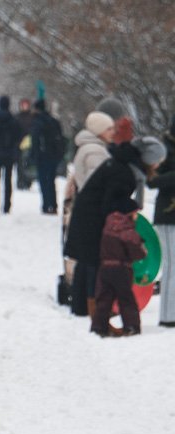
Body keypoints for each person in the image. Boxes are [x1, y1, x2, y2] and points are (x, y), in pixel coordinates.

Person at [64, 123, 151, 320]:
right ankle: (93, 310)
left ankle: (81, 308)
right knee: (93, 263)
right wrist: (131, 208)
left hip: (86, 212)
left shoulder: (113, 161)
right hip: (92, 217)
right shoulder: (114, 165)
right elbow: (111, 198)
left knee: (85, 262)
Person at [91, 197, 147, 336]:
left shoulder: (107, 226)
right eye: (135, 214)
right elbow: (137, 252)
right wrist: (143, 249)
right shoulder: (127, 230)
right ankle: (131, 326)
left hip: (105, 268)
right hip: (122, 269)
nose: (136, 217)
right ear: (129, 214)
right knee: (126, 299)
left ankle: (98, 327)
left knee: (104, 299)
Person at [148, 114, 175, 327]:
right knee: (171, 265)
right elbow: (152, 180)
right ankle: (167, 316)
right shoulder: (164, 149)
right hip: (167, 213)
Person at [30, 99, 64, 214]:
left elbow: (35, 140)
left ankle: (46, 205)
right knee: (51, 180)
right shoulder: (54, 121)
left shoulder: (37, 122)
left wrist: (33, 155)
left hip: (42, 155)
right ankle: (53, 205)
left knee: (43, 181)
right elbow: (61, 138)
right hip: (53, 155)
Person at [15, 98, 36, 190]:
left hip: (29, 144)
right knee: (20, 164)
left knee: (28, 164)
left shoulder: (32, 117)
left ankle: (27, 181)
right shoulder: (17, 117)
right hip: (19, 144)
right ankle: (20, 181)